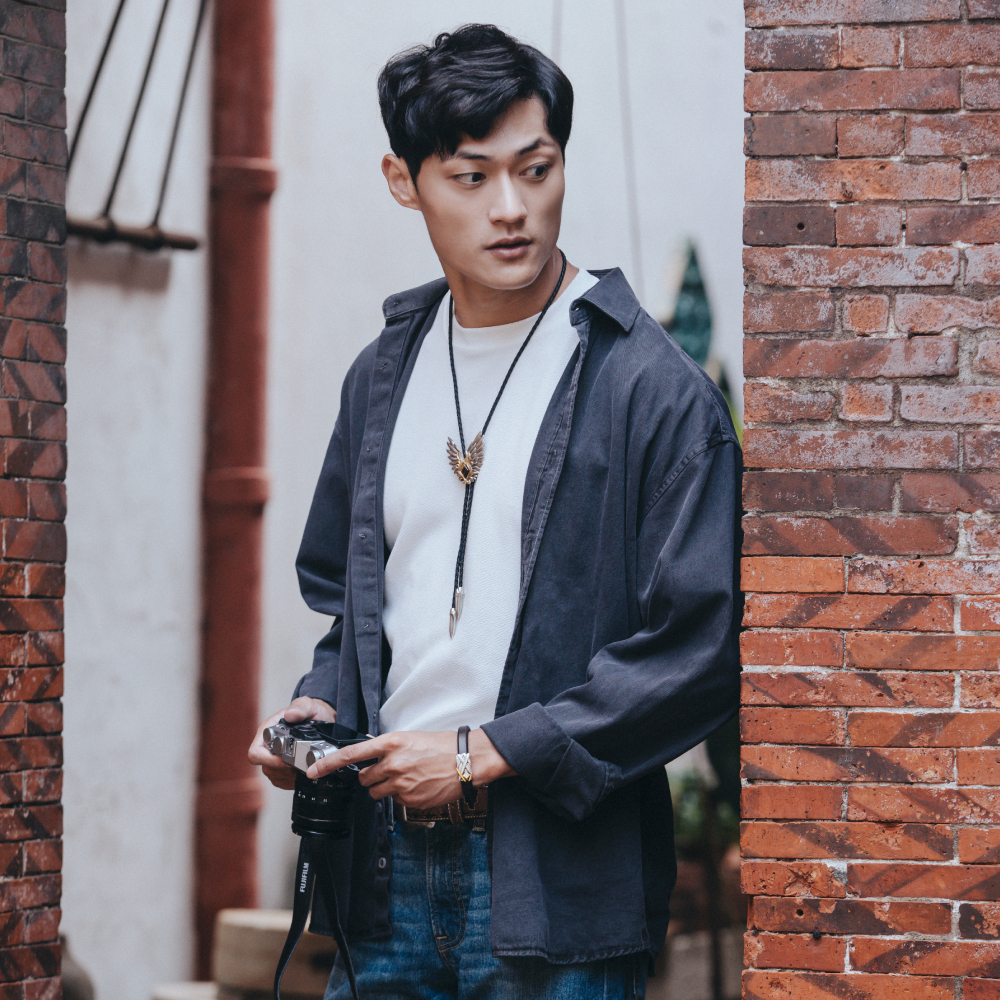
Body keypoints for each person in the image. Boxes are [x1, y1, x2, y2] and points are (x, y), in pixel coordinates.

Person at [249, 23, 741, 1000]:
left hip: (555, 888)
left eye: (536, 169)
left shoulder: (650, 389)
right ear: (404, 181)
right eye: (471, 178)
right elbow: (356, 614)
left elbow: (701, 650)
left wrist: (482, 754)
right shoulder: (380, 376)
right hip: (380, 881)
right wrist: (319, 706)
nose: (511, 208)